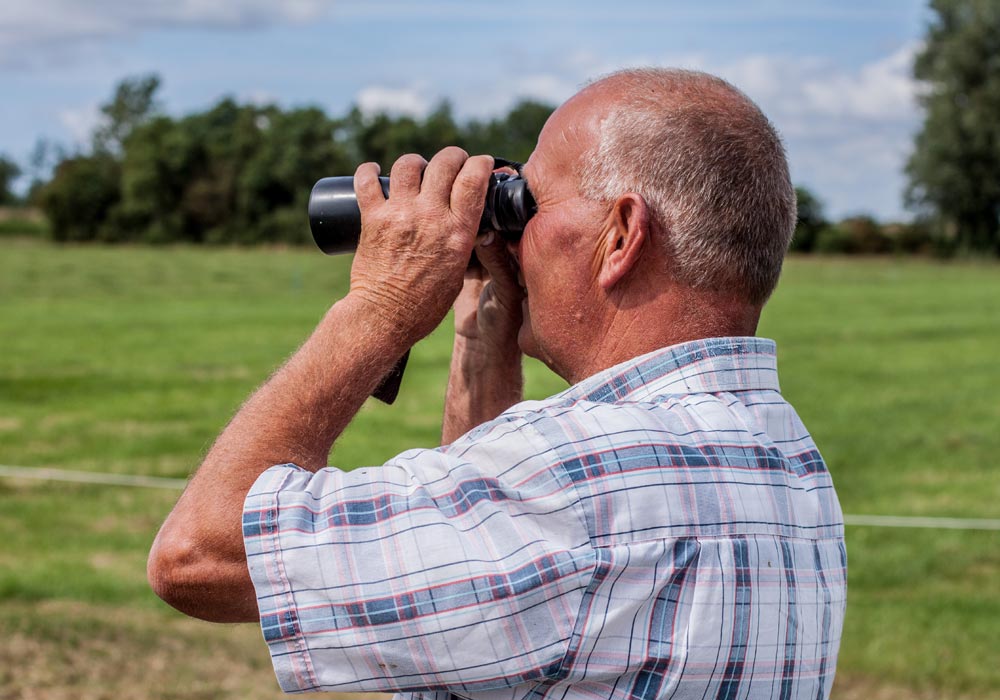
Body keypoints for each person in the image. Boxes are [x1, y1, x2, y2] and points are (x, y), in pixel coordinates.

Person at [148, 68, 846, 700]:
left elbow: (200, 553)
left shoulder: (579, 482)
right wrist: (485, 332)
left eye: (527, 203)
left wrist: (379, 307)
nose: (511, 234)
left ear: (622, 236)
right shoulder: (791, 465)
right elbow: (494, 615)